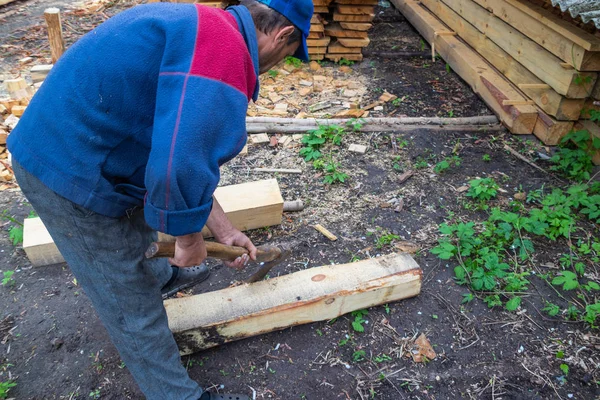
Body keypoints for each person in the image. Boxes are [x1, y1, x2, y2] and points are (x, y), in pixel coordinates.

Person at [7, 0, 312, 398]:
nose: (279, 64)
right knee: (130, 305)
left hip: (96, 147)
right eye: (289, 54)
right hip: (67, 169)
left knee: (138, 221)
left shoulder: (209, 29)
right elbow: (177, 167)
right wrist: (189, 239)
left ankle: (162, 276)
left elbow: (182, 150)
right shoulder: (222, 55)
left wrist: (223, 228)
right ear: (283, 34)